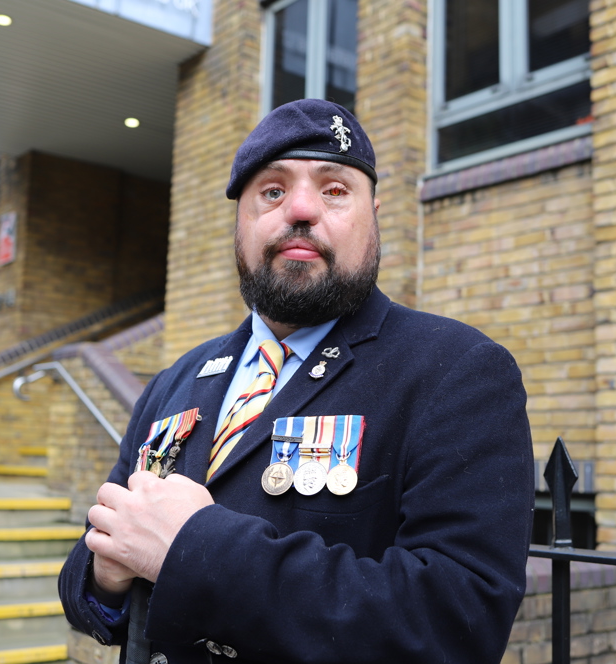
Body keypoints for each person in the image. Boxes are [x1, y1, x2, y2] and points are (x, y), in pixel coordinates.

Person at [59, 99, 534, 664]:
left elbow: (458, 621)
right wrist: (106, 574)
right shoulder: (175, 381)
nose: (302, 208)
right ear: (241, 222)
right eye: (273, 191)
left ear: (373, 215)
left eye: (334, 189)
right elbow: (88, 585)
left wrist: (194, 550)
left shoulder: (456, 370)